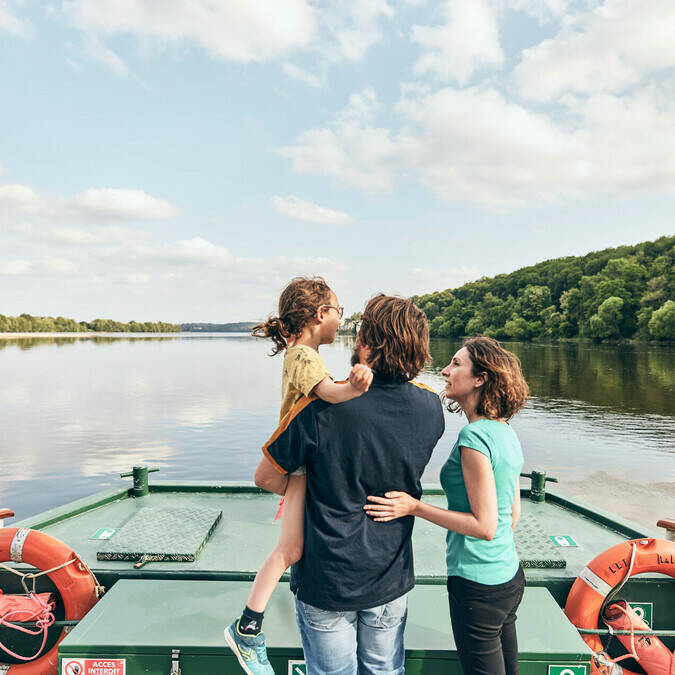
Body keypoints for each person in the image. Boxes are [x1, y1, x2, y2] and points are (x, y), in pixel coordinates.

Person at [255, 294, 445, 675]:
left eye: (359, 331)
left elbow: (267, 476)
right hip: (389, 574)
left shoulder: (321, 408)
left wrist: (313, 490)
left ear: (368, 345)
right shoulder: (430, 407)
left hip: (328, 578)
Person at [225, 276, 374, 675]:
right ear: (319, 314)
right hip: (300, 461)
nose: (341, 320)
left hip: (300, 463)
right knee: (288, 551)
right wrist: (356, 386)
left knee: (291, 549)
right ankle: (247, 629)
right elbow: (327, 393)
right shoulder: (305, 357)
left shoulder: (300, 353)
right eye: (338, 311)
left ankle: (250, 626)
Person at [364, 336, 529, 675]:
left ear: (480, 378)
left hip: (478, 585)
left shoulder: (475, 437)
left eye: (456, 364)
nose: (444, 370)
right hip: (509, 578)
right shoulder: (505, 432)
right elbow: (512, 514)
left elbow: (485, 527)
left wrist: (413, 507)